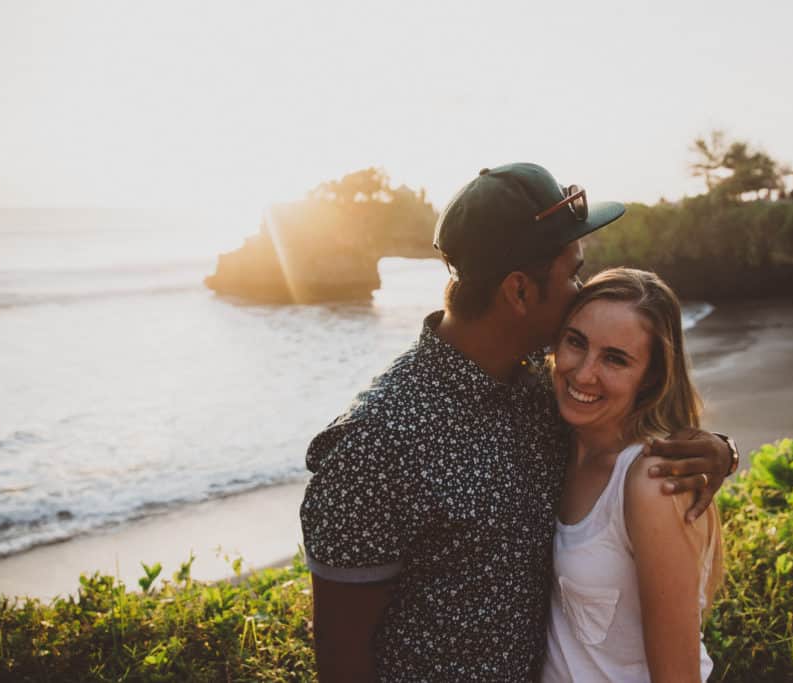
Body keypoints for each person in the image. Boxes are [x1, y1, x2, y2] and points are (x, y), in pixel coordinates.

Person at [300, 163, 738, 682]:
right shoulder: (378, 443)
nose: (580, 289)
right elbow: (339, 656)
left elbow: (625, 447)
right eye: (573, 272)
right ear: (520, 292)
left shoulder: (543, 389)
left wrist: (720, 451)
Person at [542, 268, 723, 683]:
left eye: (615, 359)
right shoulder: (555, 440)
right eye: (576, 342)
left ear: (652, 377)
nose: (584, 374)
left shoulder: (651, 482)